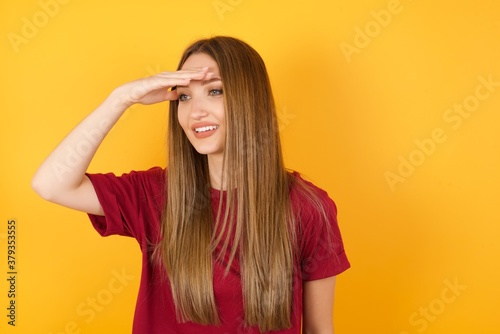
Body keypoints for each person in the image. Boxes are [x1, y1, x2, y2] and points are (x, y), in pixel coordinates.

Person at [32, 36, 350, 334]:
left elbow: (320, 329)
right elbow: (51, 184)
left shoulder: (308, 207)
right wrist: (121, 99)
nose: (195, 112)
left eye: (215, 91)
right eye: (184, 96)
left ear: (250, 99)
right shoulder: (155, 195)